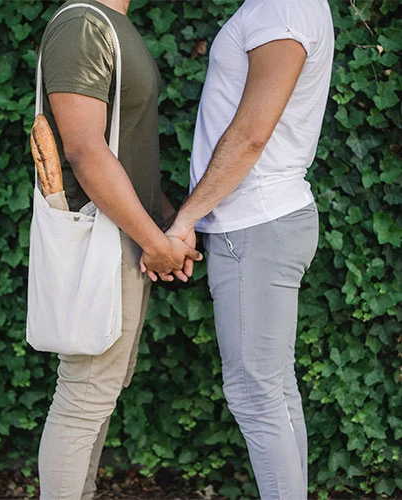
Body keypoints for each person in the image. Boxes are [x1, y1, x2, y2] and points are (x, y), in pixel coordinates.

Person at [142, 0, 335, 498]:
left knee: (256, 395)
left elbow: (252, 133)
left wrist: (186, 218)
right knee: (273, 391)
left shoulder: (282, 7)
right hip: (260, 221)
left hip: (255, 222)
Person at [35, 0, 201, 498]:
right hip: (104, 241)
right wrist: (156, 241)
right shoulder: (83, 24)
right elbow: (85, 149)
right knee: (83, 396)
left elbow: (121, 147)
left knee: (97, 396)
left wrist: (168, 218)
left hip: (126, 236)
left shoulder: (110, 23)